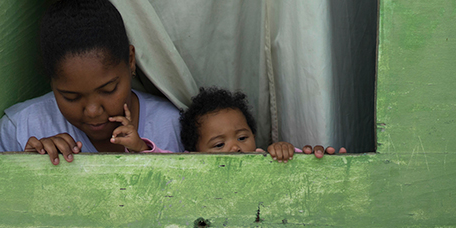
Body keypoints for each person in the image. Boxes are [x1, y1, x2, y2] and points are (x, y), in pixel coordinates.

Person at [0, 0, 184, 163]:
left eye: (108, 90)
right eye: (71, 97)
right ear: (50, 81)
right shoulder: (18, 130)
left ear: (131, 61)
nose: (92, 111)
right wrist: (29, 169)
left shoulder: (173, 127)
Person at [110, 86, 345, 162]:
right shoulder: (192, 168)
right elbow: (165, 164)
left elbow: (296, 165)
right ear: (194, 153)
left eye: (243, 138)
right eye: (219, 144)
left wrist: (288, 152)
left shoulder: (265, 159)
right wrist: (140, 147)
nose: (235, 147)